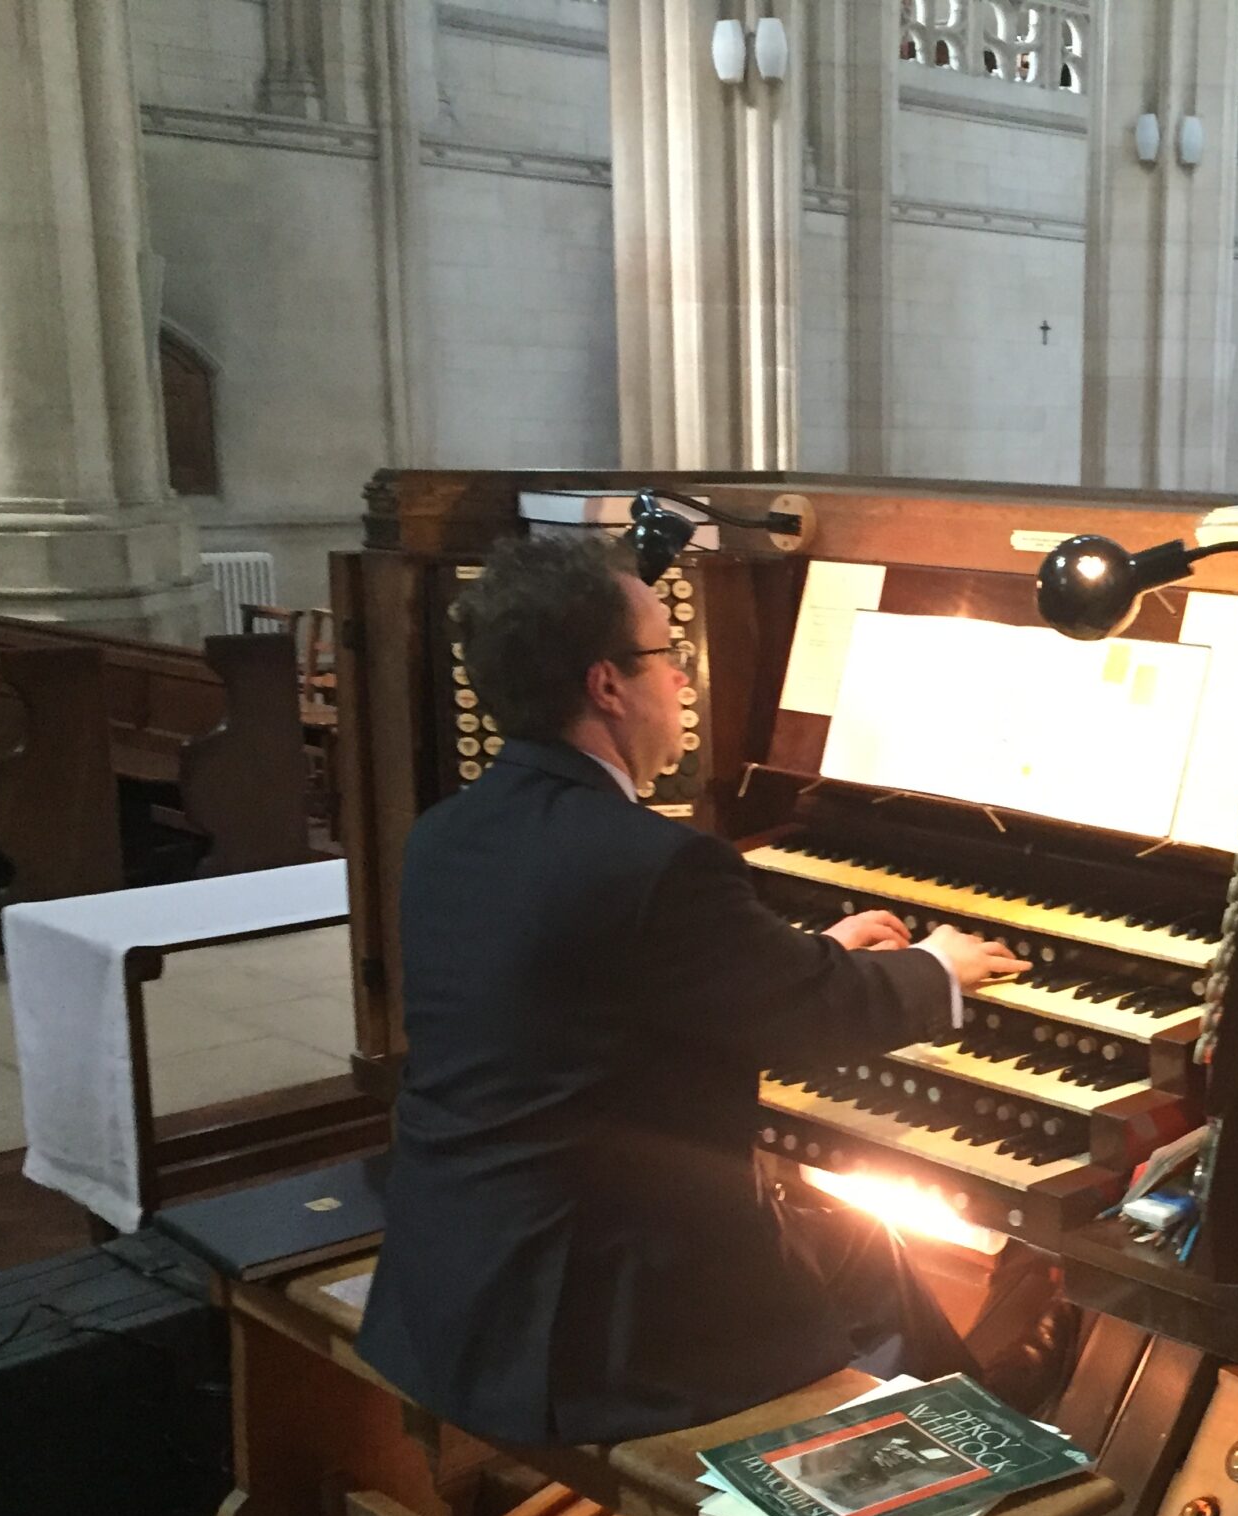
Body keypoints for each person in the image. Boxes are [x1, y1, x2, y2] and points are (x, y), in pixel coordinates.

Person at [356, 534, 1030, 1447]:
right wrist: (937, 968)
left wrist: (805, 949)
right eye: (664, 656)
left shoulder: (449, 833)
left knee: (867, 1248)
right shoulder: (652, 861)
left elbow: (608, 988)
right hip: (597, 1326)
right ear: (606, 685)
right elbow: (808, 1016)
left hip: (454, 1274)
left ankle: (987, 1409)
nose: (679, 680)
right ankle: (964, 1512)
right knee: (856, 1281)